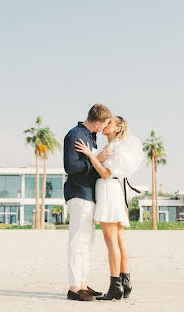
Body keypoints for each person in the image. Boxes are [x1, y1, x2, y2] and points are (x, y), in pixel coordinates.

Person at [75, 116, 144, 301]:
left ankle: (115, 286)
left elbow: (105, 174)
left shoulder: (114, 148)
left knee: (111, 240)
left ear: (118, 128)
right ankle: (125, 280)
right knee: (119, 238)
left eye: (110, 122)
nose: (106, 125)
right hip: (113, 190)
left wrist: (90, 155)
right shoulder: (115, 146)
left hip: (108, 190)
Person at [63, 104, 113, 301]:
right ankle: (74, 287)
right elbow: (70, 167)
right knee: (78, 241)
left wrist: (95, 159)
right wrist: (96, 158)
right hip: (78, 193)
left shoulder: (91, 136)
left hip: (89, 194)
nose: (106, 128)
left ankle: (82, 284)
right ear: (98, 122)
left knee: (87, 241)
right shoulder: (75, 135)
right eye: (105, 124)